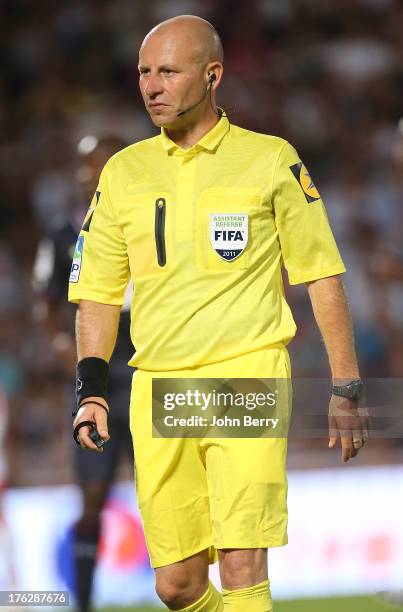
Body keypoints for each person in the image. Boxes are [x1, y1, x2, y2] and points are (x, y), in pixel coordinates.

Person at [68, 15, 369, 612]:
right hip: (160, 386)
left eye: (168, 71)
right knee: (176, 586)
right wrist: (92, 389)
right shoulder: (123, 172)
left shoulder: (269, 160)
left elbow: (320, 274)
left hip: (245, 376)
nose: (151, 86)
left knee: (240, 559)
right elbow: (98, 292)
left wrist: (347, 386)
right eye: (144, 73)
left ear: (213, 76)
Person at [33, 136, 134, 612]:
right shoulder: (62, 232)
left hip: (152, 369)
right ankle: (85, 603)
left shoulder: (149, 221)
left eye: (102, 164)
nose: (91, 174)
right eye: (86, 166)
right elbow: (48, 302)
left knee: (172, 489)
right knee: (92, 497)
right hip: (97, 379)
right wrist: (61, 346)